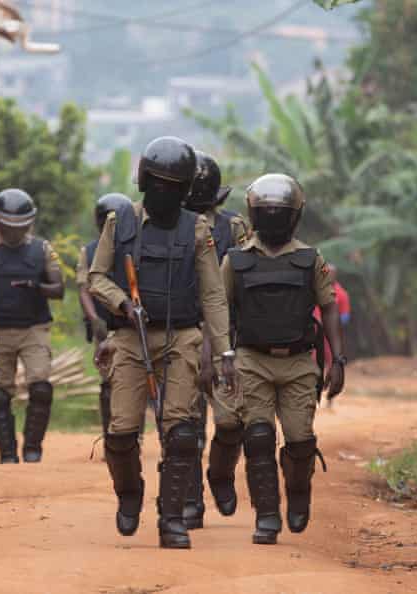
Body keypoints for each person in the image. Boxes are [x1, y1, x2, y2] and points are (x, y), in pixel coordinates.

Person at [88, 136, 237, 549]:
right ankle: (129, 493)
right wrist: (122, 303)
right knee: (120, 432)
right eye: (158, 183)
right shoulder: (121, 223)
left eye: (175, 185)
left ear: (186, 189)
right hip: (130, 338)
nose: (165, 192)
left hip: (183, 338)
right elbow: (96, 278)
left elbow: (212, 294)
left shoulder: (198, 229)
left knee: (181, 432)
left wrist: (224, 351)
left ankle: (171, 518)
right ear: (143, 180)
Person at [220, 173, 345, 545]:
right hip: (251, 360)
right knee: (257, 437)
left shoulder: (310, 259)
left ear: (294, 215)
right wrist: (218, 357)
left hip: (298, 362)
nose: (274, 217)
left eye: (281, 212)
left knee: (300, 439)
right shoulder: (236, 260)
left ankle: (299, 491)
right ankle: (267, 515)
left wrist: (338, 359)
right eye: (268, 211)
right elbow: (218, 310)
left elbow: (329, 307)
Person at [181, 151, 251, 530]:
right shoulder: (167, 228)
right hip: (182, 335)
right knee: (185, 427)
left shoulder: (233, 228)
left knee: (230, 422)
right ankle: (190, 500)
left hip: (228, 339)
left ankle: (221, 475)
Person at [0, 189, 64, 464]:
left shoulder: (42, 249)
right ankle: (7, 453)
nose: (14, 233)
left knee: (41, 387)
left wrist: (37, 287)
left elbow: (59, 288)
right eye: (9, 227)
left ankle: (33, 448)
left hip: (34, 328)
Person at [76, 193, 134, 435]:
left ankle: (133, 434)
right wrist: (93, 318)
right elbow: (84, 288)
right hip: (103, 323)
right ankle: (109, 434)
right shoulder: (88, 252)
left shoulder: (133, 246)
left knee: (132, 379)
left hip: (130, 323)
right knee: (108, 380)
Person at [313, 264, 351, 365]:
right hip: (313, 331)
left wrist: (330, 323)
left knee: (333, 359)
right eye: (325, 273)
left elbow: (345, 317)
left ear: (335, 275)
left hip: (329, 334)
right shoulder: (315, 290)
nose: (327, 275)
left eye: (330, 273)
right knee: (312, 358)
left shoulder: (341, 293)